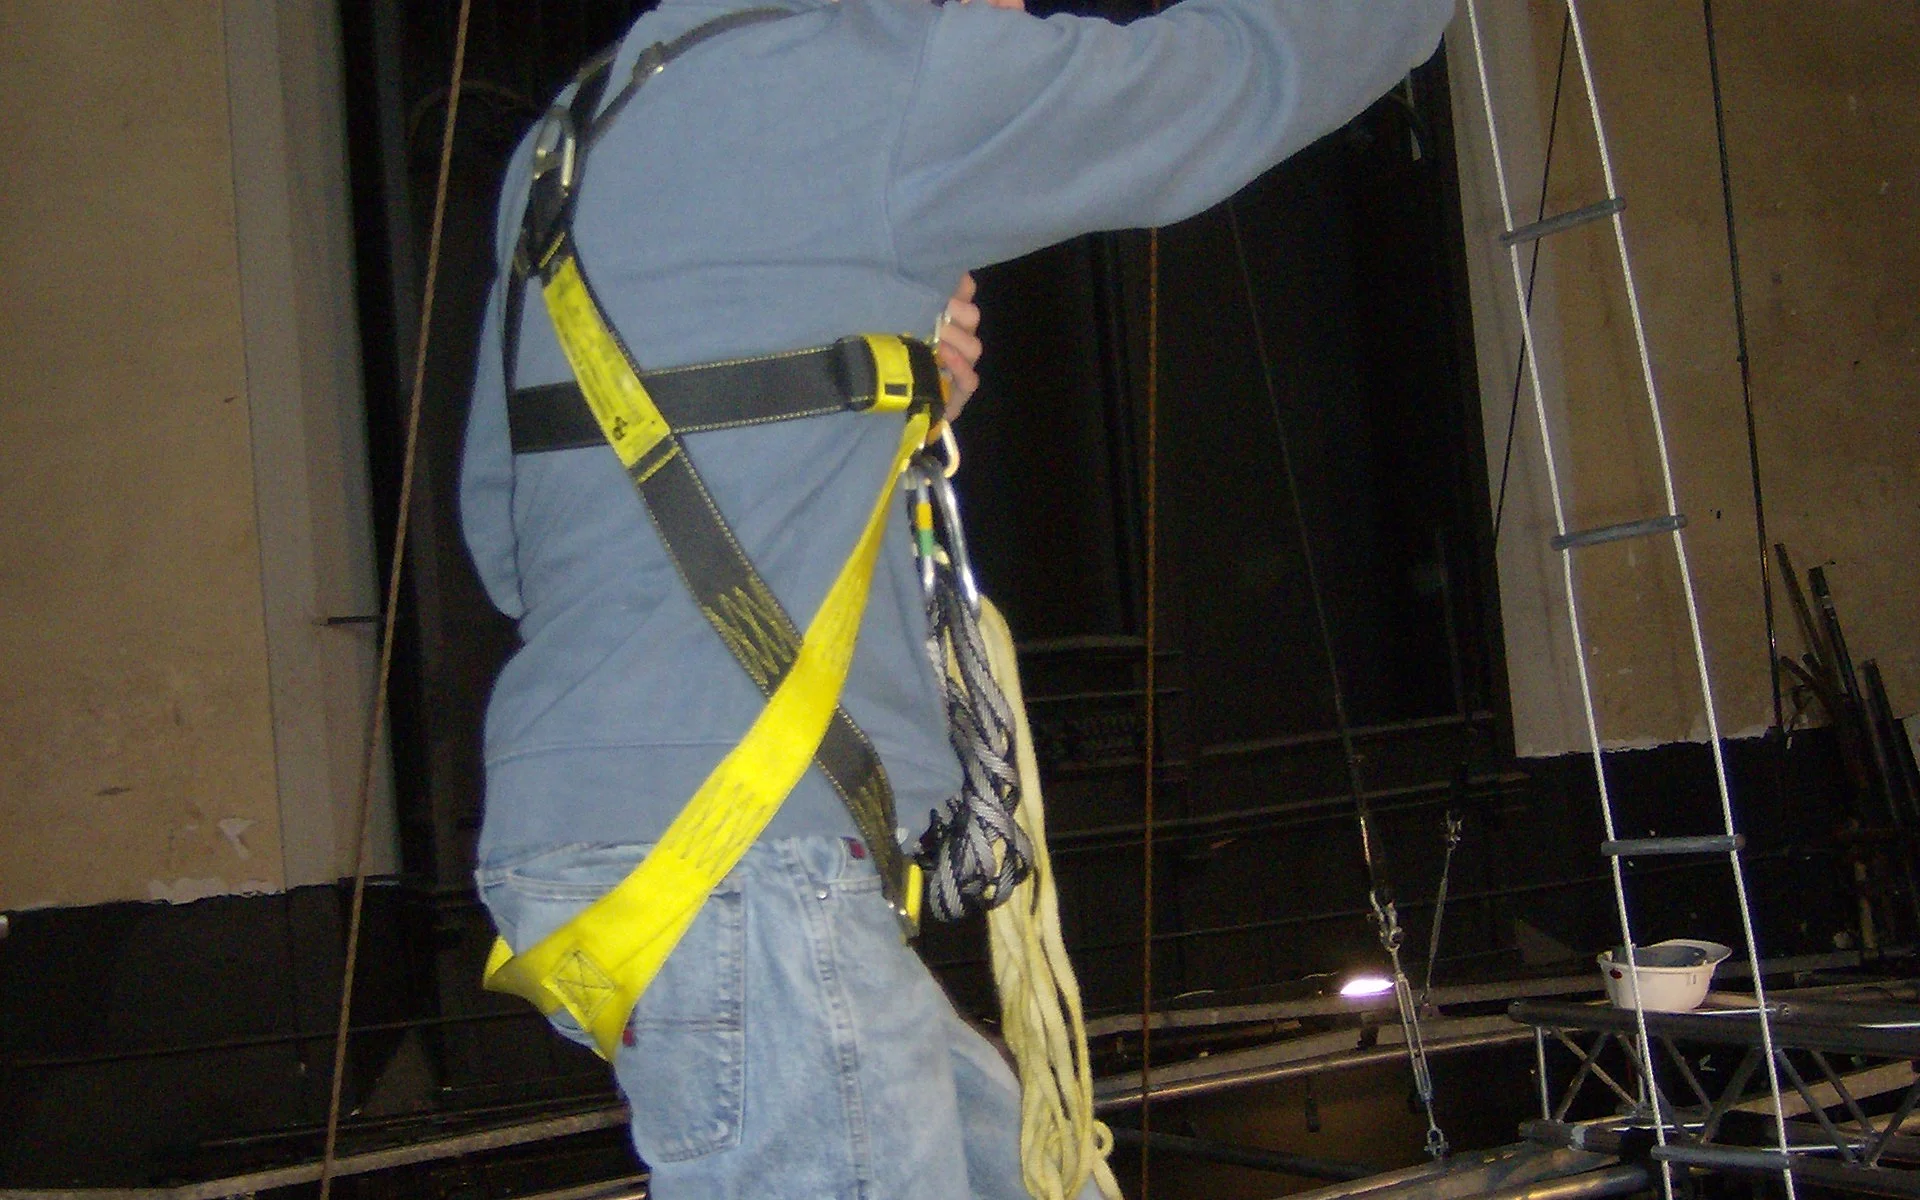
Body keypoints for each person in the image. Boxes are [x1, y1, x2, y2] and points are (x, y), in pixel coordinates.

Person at [459, 0, 1453, 1194]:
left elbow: (509, 541)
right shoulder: (871, 70)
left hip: (584, 842)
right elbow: (1239, 76)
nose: (1018, 13)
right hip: (752, 866)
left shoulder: (567, 138)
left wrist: (852, 401)